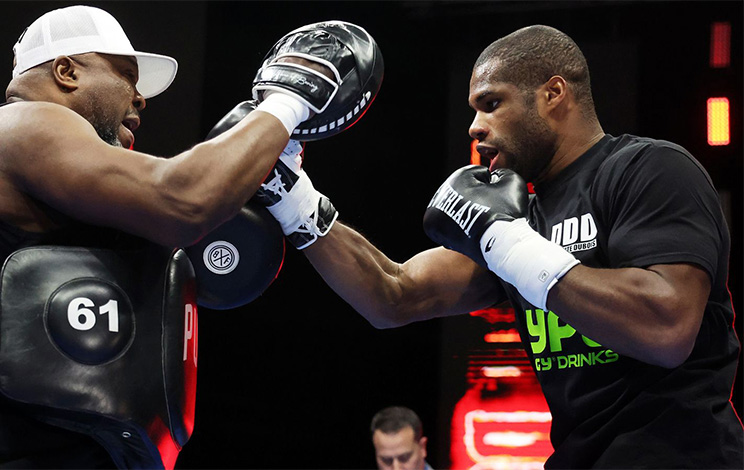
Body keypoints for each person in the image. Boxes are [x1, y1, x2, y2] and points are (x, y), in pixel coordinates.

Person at [262, 25, 744, 468]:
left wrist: (506, 242)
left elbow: (667, 328)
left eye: (491, 103)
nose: (474, 126)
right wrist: (294, 196)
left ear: (554, 94)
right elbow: (395, 293)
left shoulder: (649, 170)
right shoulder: (520, 219)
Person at [0, 5, 351, 468]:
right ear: (66, 71)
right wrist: (288, 100)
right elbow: (185, 201)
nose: (140, 98)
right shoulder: (21, 125)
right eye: (125, 75)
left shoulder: (68, 187)